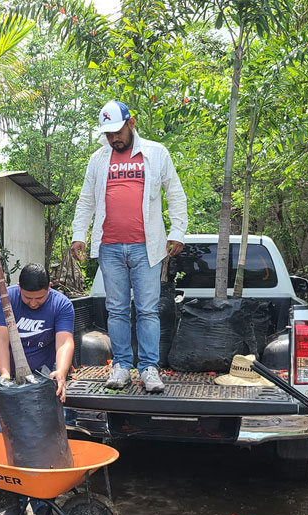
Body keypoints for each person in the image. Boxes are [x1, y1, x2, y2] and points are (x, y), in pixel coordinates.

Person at [71, 100, 188, 392]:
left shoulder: (156, 153)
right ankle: (122, 365)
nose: (114, 138)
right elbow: (86, 200)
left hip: (146, 247)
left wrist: (178, 231)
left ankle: (149, 368)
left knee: (147, 310)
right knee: (117, 310)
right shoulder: (98, 159)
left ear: (131, 123)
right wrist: (79, 234)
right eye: (108, 134)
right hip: (109, 247)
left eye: (118, 132)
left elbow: (175, 193)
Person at [0, 264, 75, 515]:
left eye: (39, 298)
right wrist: (5, 376)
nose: (33, 303)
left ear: (49, 288)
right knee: (10, 444)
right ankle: (14, 504)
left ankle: (43, 505)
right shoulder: (6, 301)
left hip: (41, 385)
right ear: (19, 289)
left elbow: (65, 341)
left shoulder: (61, 305)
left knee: (41, 446)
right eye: (28, 298)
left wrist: (61, 372)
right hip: (7, 382)